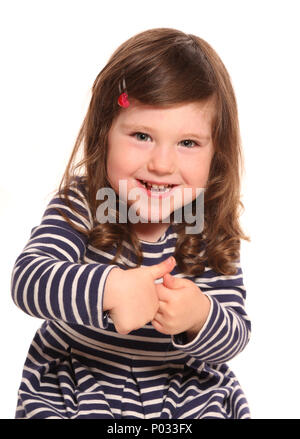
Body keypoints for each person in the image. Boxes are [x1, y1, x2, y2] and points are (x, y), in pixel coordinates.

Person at [11, 27, 251, 419]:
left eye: (188, 143)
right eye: (141, 135)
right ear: (105, 133)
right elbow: (29, 281)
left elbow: (236, 335)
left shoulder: (207, 226)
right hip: (81, 379)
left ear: (215, 153)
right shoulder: (85, 204)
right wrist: (108, 288)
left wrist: (198, 316)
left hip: (182, 387)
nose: (161, 164)